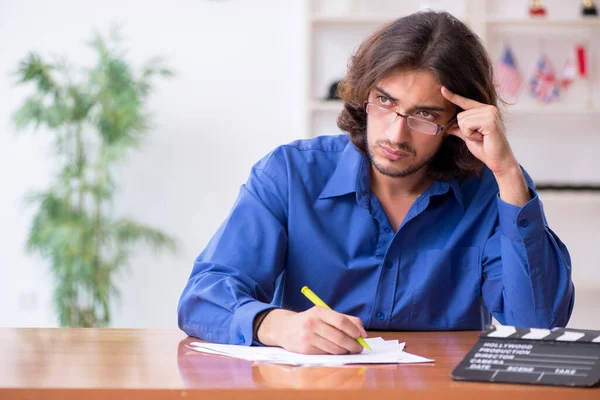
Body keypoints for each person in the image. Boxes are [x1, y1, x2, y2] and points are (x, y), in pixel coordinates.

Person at [178, 10, 574, 355]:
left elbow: (538, 327)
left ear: (457, 121)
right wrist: (276, 325)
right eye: (385, 102)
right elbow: (202, 298)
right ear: (363, 93)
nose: (397, 135)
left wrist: (507, 175)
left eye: (424, 115)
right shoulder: (290, 174)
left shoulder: (491, 192)